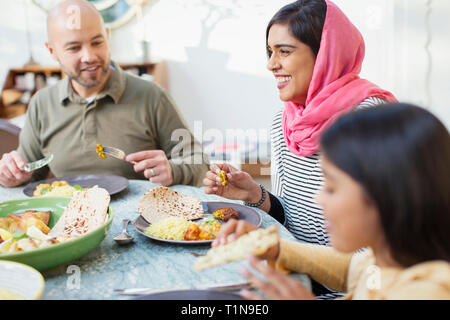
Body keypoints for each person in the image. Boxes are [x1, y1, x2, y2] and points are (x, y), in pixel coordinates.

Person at [202, 0, 396, 298]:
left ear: (324, 54)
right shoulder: (285, 120)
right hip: (296, 276)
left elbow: (386, 250)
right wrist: (255, 195)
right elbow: (294, 219)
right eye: (270, 52)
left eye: (284, 51)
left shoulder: (368, 119)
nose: (271, 64)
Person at [213, 103, 450, 300]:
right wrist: (275, 247)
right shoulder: (384, 260)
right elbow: (349, 267)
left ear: (386, 195)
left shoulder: (426, 293)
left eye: (332, 187)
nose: (318, 198)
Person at [0, 0, 208, 188]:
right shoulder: (41, 104)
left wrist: (173, 170)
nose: (89, 57)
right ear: (52, 51)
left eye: (97, 42)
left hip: (138, 223)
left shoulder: (152, 97)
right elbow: (28, 175)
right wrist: (11, 175)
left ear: (107, 36)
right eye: (74, 48)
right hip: (70, 225)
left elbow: (200, 163)